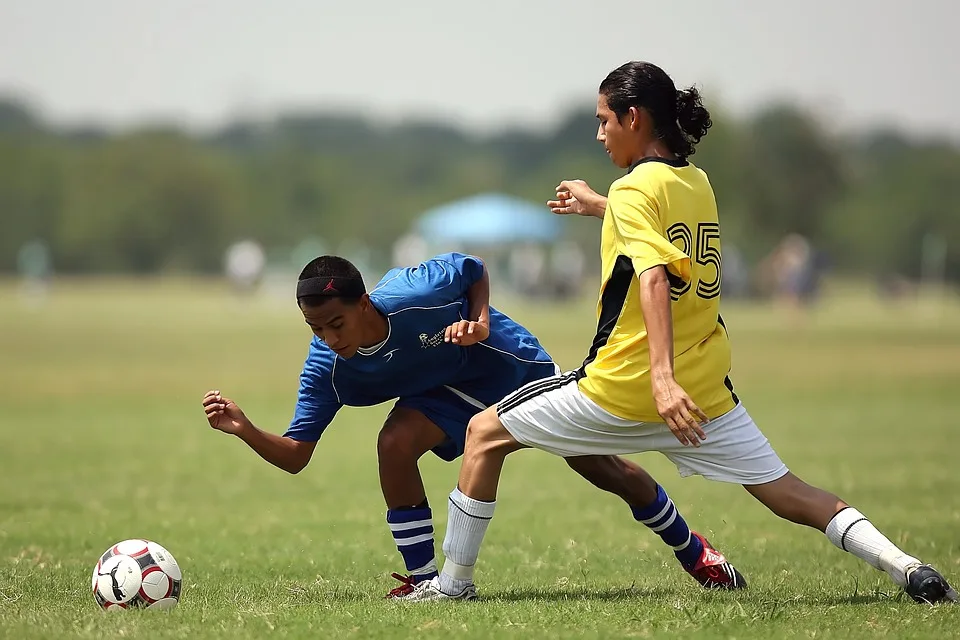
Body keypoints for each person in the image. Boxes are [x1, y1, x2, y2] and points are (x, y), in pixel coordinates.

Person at [402, 61, 957, 604]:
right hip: (705, 394)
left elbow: (654, 275)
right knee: (789, 492)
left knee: (483, 433)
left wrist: (660, 379)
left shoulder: (631, 191)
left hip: (621, 388)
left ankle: (452, 586)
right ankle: (908, 569)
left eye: (604, 121)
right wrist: (601, 206)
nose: (599, 134)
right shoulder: (696, 183)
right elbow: (663, 239)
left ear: (634, 118)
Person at [201, 251, 746, 598]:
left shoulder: (415, 292)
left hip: (506, 365)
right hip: (440, 396)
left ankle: (693, 551)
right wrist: (246, 428)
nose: (329, 338)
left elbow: (474, 268)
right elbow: (297, 454)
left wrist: (481, 322)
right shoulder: (328, 369)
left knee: (600, 468)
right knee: (394, 443)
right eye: (315, 328)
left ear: (365, 301)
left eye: (336, 323)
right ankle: (423, 581)